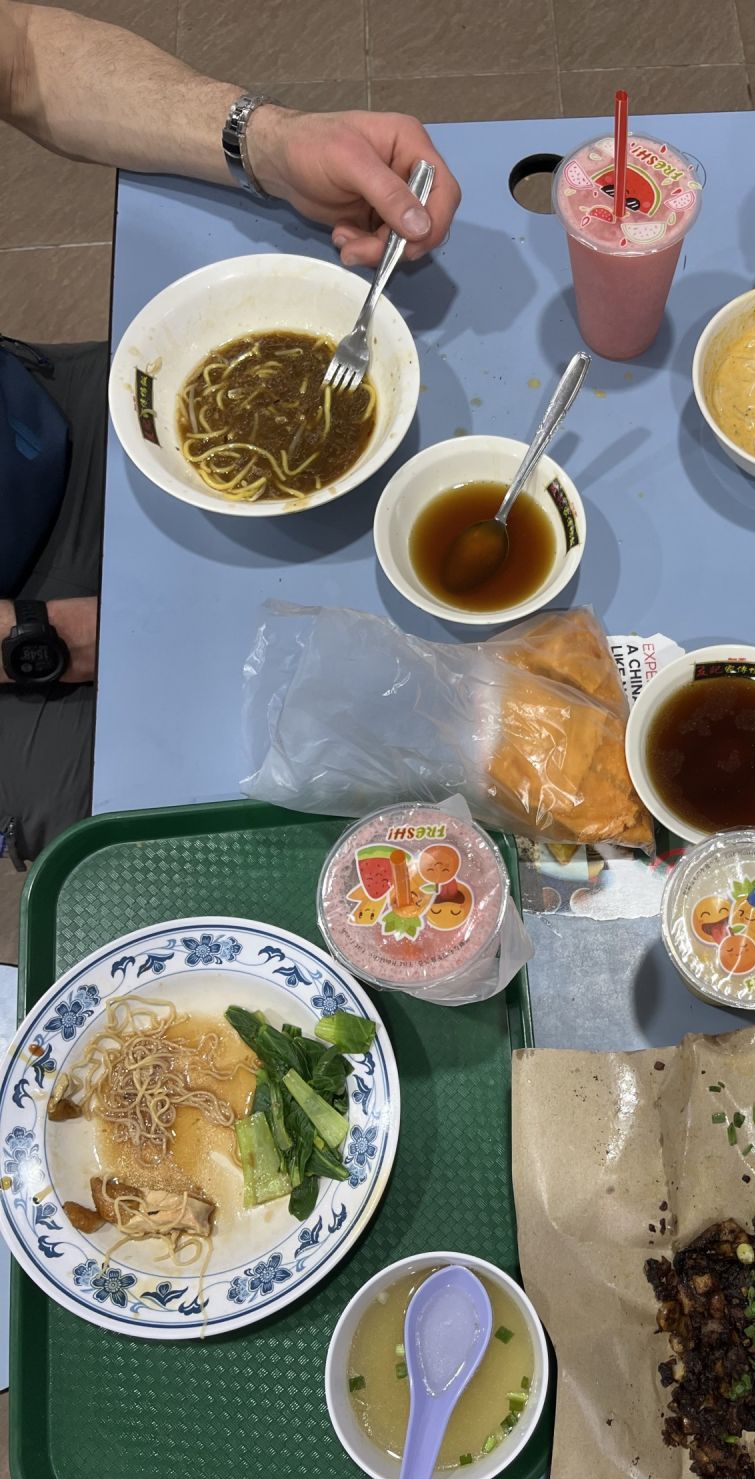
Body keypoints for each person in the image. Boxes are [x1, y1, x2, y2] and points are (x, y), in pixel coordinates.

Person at [0, 1, 462, 930]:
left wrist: (267, 142)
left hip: (40, 421)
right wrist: (40, 640)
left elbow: (23, 60)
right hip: (24, 656)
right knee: (249, 842)